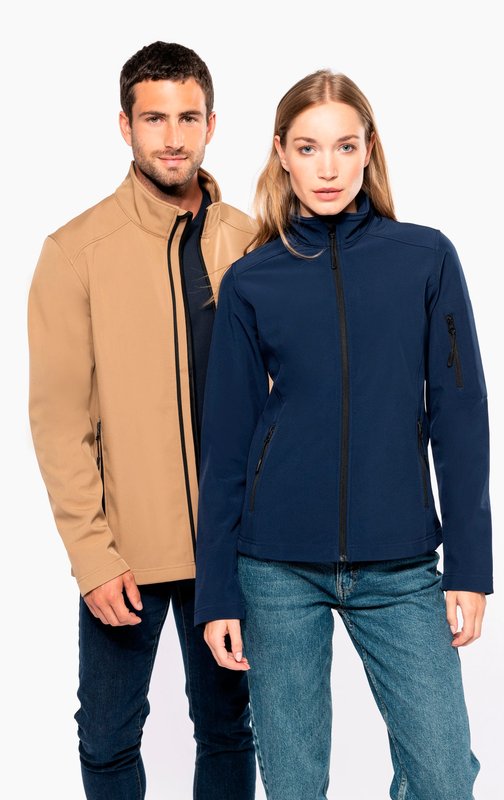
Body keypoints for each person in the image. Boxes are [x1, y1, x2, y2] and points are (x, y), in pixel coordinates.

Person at [194, 69, 492, 800]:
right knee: (294, 785)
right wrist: (216, 592)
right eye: (307, 148)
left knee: (443, 776)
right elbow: (225, 445)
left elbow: (460, 414)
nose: (326, 168)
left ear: (368, 150)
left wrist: (470, 564)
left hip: (400, 562)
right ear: (281, 154)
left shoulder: (425, 259)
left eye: (344, 146)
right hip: (275, 567)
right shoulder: (252, 281)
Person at [28, 41, 256, 800]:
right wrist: (93, 556)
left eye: (188, 117)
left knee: (228, 730)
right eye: (154, 118)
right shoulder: (75, 253)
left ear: (211, 124)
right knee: (106, 738)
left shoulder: (251, 242)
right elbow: (59, 422)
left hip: (233, 547)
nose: (173, 137)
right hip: (127, 552)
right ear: (124, 125)